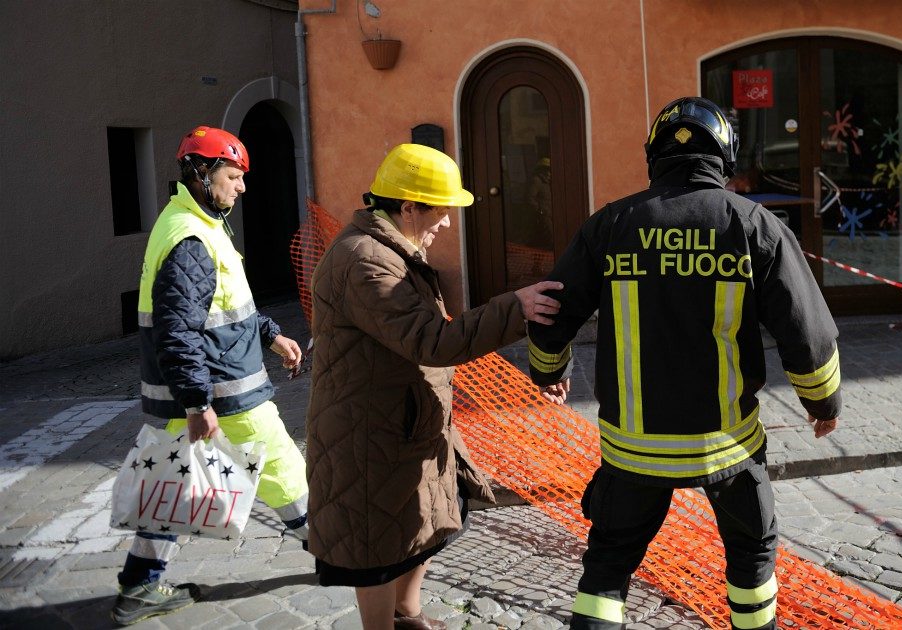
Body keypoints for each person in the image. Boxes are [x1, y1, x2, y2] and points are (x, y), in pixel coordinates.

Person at [526, 97, 842, 630]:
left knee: (609, 562)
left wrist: (549, 369)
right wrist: (823, 403)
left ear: (654, 157)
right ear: (725, 156)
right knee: (751, 554)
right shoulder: (754, 226)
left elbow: (551, 307)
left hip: (632, 448)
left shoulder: (611, 224)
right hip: (727, 446)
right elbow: (806, 331)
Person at [305, 143, 563, 630]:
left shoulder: (393, 249)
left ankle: (408, 613)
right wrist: (516, 308)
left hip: (406, 421)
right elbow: (432, 340)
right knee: (378, 543)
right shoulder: (364, 261)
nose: (445, 222)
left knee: (431, 520)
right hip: (369, 432)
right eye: (440, 210)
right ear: (407, 208)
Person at [114, 126, 310, 626]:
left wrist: (269, 334)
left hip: (201, 390)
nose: (242, 187)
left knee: (171, 485)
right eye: (233, 176)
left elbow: (222, 302)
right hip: (225, 394)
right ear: (201, 174)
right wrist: (198, 403)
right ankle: (332, 550)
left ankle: (139, 585)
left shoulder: (189, 222)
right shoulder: (191, 238)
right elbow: (178, 330)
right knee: (284, 469)